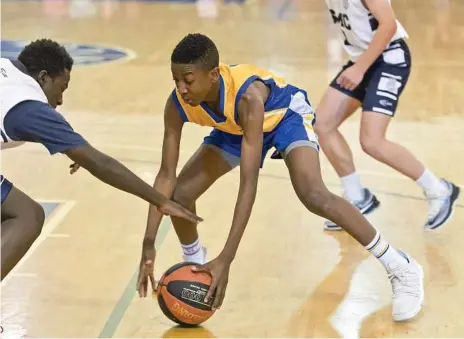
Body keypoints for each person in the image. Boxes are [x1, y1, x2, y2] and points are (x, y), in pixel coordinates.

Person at [137, 33, 424, 322]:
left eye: (188, 80)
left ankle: (400, 266)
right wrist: (149, 242)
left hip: (284, 116)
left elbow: (248, 183)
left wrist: (227, 257)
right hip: (235, 128)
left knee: (313, 194)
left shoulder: (248, 96)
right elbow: (165, 176)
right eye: (175, 80)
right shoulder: (177, 104)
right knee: (180, 193)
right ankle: (195, 262)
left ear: (213, 75)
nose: (181, 88)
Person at [0, 39, 202, 281]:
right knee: (27, 216)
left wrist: (70, 144)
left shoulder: (8, 68)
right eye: (62, 88)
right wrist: (159, 199)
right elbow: (100, 163)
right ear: (43, 77)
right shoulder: (28, 108)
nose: (61, 100)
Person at [311, 0, 460, 230]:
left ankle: (439, 190)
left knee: (372, 141)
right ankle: (357, 197)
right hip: (360, 60)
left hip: (389, 61)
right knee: (322, 124)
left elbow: (388, 24)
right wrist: (359, 66)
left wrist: (360, 69)